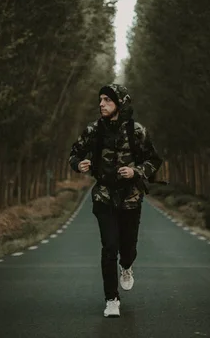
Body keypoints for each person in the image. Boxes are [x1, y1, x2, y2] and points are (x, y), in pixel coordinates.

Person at [68, 83, 163, 318]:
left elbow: (154, 161)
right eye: (100, 99)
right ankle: (111, 299)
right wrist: (78, 165)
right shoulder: (93, 131)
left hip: (131, 197)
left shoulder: (137, 131)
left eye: (107, 100)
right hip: (103, 196)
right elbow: (74, 153)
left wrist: (136, 172)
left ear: (120, 103)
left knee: (127, 248)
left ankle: (127, 266)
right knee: (109, 247)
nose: (101, 104)